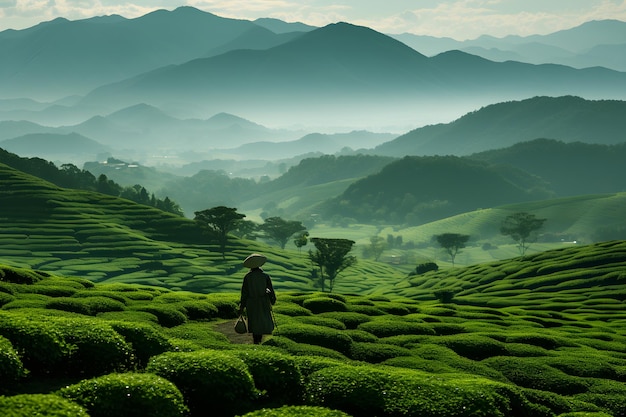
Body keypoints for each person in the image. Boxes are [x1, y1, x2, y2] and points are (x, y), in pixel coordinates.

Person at [238, 253, 276, 344]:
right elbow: (271, 290)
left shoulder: (247, 277)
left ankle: (256, 341)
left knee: (254, 322)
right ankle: (260, 340)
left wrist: (241, 306)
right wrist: (272, 300)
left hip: (251, 303)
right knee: (262, 321)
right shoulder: (265, 276)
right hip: (263, 302)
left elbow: (244, 293)